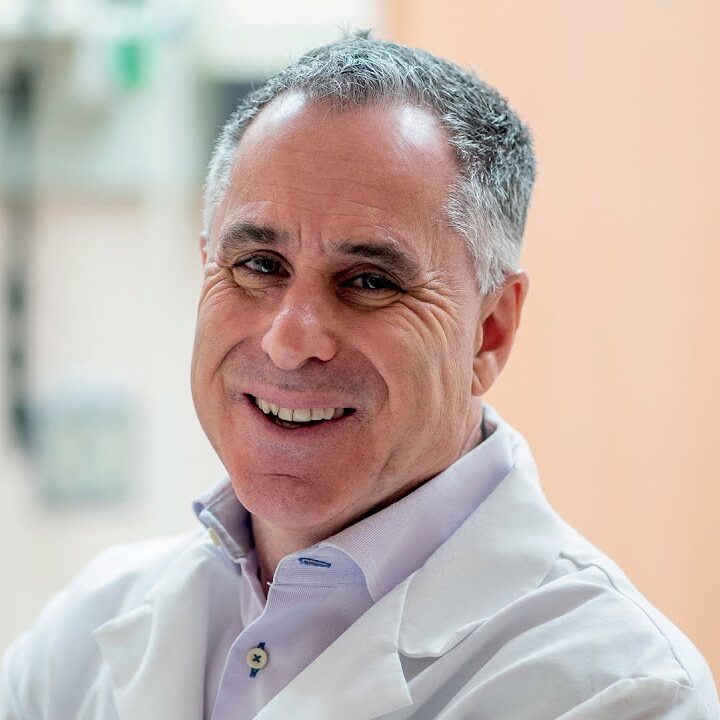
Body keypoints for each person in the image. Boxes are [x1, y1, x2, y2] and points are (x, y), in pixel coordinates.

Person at [2, 31, 718, 720]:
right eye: (259, 265)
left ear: (490, 332)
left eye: (371, 281)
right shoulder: (83, 636)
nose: (289, 342)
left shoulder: (620, 691)